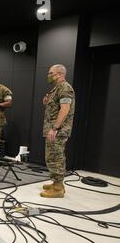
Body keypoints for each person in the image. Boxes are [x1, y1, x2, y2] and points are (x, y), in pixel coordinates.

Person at [41, 64, 76, 198]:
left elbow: (65, 109)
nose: (48, 75)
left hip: (58, 131)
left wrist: (55, 128)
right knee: (52, 157)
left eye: (51, 73)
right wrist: (47, 101)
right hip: (53, 129)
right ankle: (56, 182)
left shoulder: (65, 88)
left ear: (60, 74)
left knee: (56, 158)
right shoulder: (56, 89)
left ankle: (58, 188)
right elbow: (55, 106)